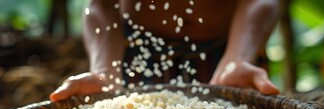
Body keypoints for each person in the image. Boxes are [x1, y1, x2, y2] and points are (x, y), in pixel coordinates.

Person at [50, 0, 280, 102]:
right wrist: (105, 71)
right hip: (136, 56)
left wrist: (237, 58)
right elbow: (102, 4)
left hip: (226, 52)